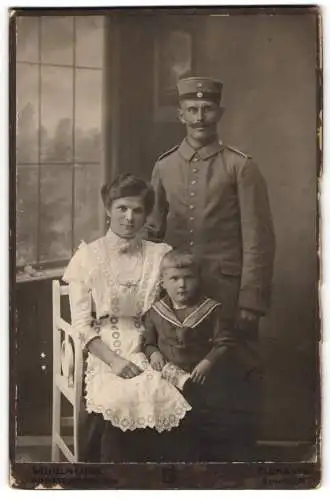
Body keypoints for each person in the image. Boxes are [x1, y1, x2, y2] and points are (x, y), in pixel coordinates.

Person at [146, 76, 276, 454]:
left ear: (219, 112)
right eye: (192, 109)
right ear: (180, 113)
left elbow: (259, 238)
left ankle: (238, 462)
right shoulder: (164, 166)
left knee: (234, 373)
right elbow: (154, 233)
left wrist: (251, 299)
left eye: (207, 109)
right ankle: (187, 460)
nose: (199, 116)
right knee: (180, 372)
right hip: (176, 294)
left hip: (227, 291)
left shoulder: (240, 166)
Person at [62, 174, 192, 462]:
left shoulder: (160, 254)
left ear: (146, 214)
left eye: (137, 210)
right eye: (122, 208)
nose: (129, 217)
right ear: (108, 209)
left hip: (151, 344)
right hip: (103, 346)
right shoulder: (87, 256)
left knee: (161, 393)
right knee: (117, 397)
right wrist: (114, 361)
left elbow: (173, 307)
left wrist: (159, 350)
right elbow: (82, 324)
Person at [142, 249, 240, 460]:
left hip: (201, 378)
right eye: (174, 279)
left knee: (204, 425)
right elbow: (148, 343)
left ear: (199, 279)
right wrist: (154, 354)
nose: (182, 285)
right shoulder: (155, 312)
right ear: (163, 282)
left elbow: (224, 343)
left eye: (188, 278)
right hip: (168, 380)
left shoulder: (212, 309)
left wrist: (207, 363)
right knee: (169, 426)